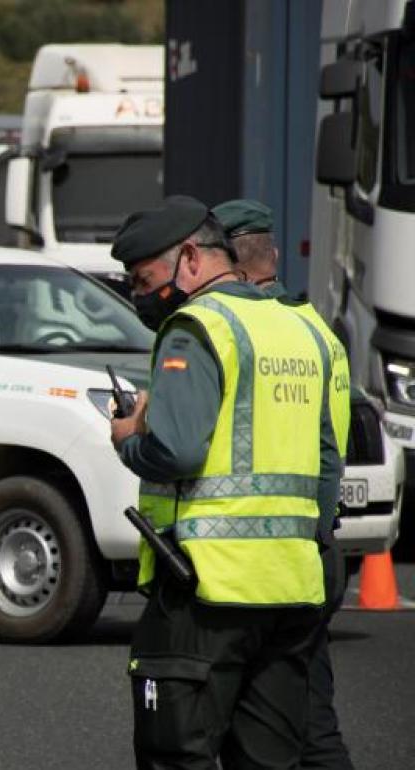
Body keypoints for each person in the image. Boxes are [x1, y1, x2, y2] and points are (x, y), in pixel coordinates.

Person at [109, 196, 338, 769]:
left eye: (146, 279)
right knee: (269, 759)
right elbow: (328, 459)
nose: (142, 294)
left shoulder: (197, 327)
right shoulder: (301, 329)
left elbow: (177, 449)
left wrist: (128, 438)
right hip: (292, 585)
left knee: (176, 753)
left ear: (190, 258)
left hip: (209, 588)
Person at [214, 198, 354, 770]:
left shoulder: (233, 329)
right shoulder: (316, 329)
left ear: (227, 263)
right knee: (313, 722)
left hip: (250, 562)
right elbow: (330, 447)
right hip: (314, 550)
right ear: (272, 253)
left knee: (243, 728)